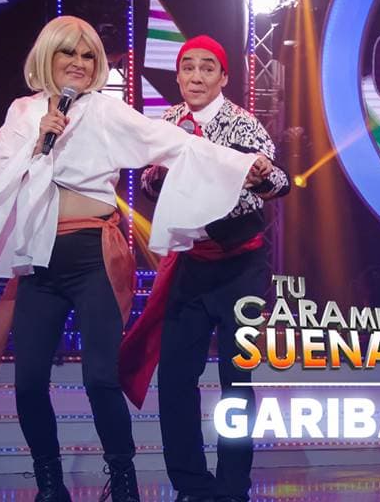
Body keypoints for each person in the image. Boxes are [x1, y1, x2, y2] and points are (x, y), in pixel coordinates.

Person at [0, 17, 264, 502]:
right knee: (27, 383)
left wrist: (242, 164)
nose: (78, 63)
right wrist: (37, 139)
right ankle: (50, 481)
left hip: (95, 254)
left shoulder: (106, 111)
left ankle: (125, 478)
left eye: (88, 55)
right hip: (39, 258)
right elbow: (0, 171)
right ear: (47, 55)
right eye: (68, 52)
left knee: (101, 378)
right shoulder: (23, 111)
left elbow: (173, 143)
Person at [118, 35, 289, 502]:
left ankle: (233, 485)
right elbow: (148, 181)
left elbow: (280, 181)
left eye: (207, 68)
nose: (196, 76)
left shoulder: (243, 123)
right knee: (175, 375)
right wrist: (160, 176)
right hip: (190, 264)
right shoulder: (169, 122)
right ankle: (191, 483)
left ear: (223, 77)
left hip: (241, 266)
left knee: (237, 378)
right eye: (188, 67)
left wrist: (260, 177)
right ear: (178, 76)